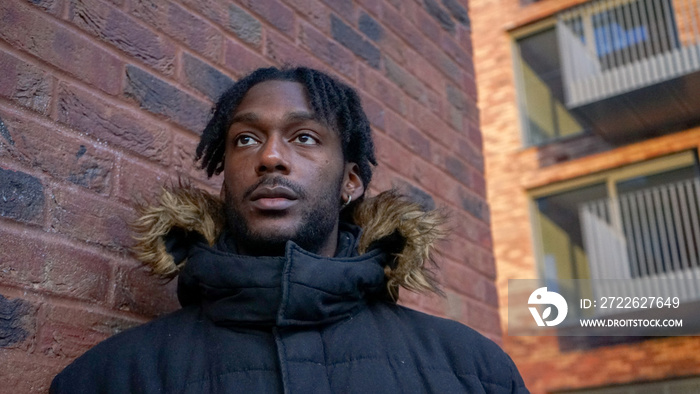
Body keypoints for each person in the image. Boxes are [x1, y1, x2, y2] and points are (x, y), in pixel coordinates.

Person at [50, 67, 528, 393]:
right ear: (225, 178)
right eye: (246, 139)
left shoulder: (474, 371)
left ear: (350, 181)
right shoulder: (108, 378)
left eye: (304, 137)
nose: (270, 157)